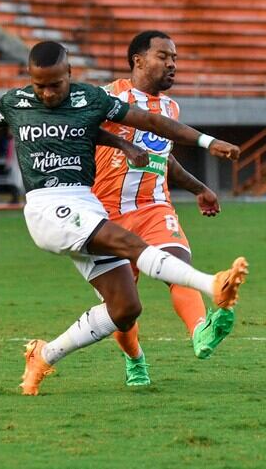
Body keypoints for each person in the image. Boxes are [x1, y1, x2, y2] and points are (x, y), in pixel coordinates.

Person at [0, 41, 247, 396]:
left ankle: (44, 355)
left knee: (125, 308)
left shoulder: (90, 99)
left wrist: (204, 142)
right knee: (130, 244)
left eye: (55, 84)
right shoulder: (14, 102)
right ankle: (211, 284)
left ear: (69, 74)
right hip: (47, 207)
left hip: (86, 205)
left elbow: (147, 122)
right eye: (39, 85)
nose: (47, 93)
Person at [92, 30, 233, 387]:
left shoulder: (171, 108)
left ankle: (200, 331)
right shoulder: (108, 96)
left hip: (154, 206)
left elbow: (164, 158)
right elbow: (82, 133)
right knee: (121, 309)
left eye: (174, 58)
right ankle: (134, 359)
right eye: (163, 56)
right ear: (138, 60)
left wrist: (199, 188)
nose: (172, 64)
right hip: (106, 214)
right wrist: (122, 146)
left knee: (177, 265)